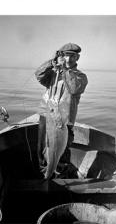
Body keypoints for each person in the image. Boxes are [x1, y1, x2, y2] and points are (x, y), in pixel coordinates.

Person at [35, 43, 88, 178]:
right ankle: (44, 174)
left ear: (77, 58)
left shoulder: (80, 76)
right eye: (65, 56)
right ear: (61, 56)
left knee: (63, 150)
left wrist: (64, 70)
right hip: (46, 115)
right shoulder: (52, 74)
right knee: (43, 146)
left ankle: (61, 176)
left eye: (72, 56)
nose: (68, 59)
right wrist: (52, 62)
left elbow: (74, 88)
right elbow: (39, 74)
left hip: (65, 120)